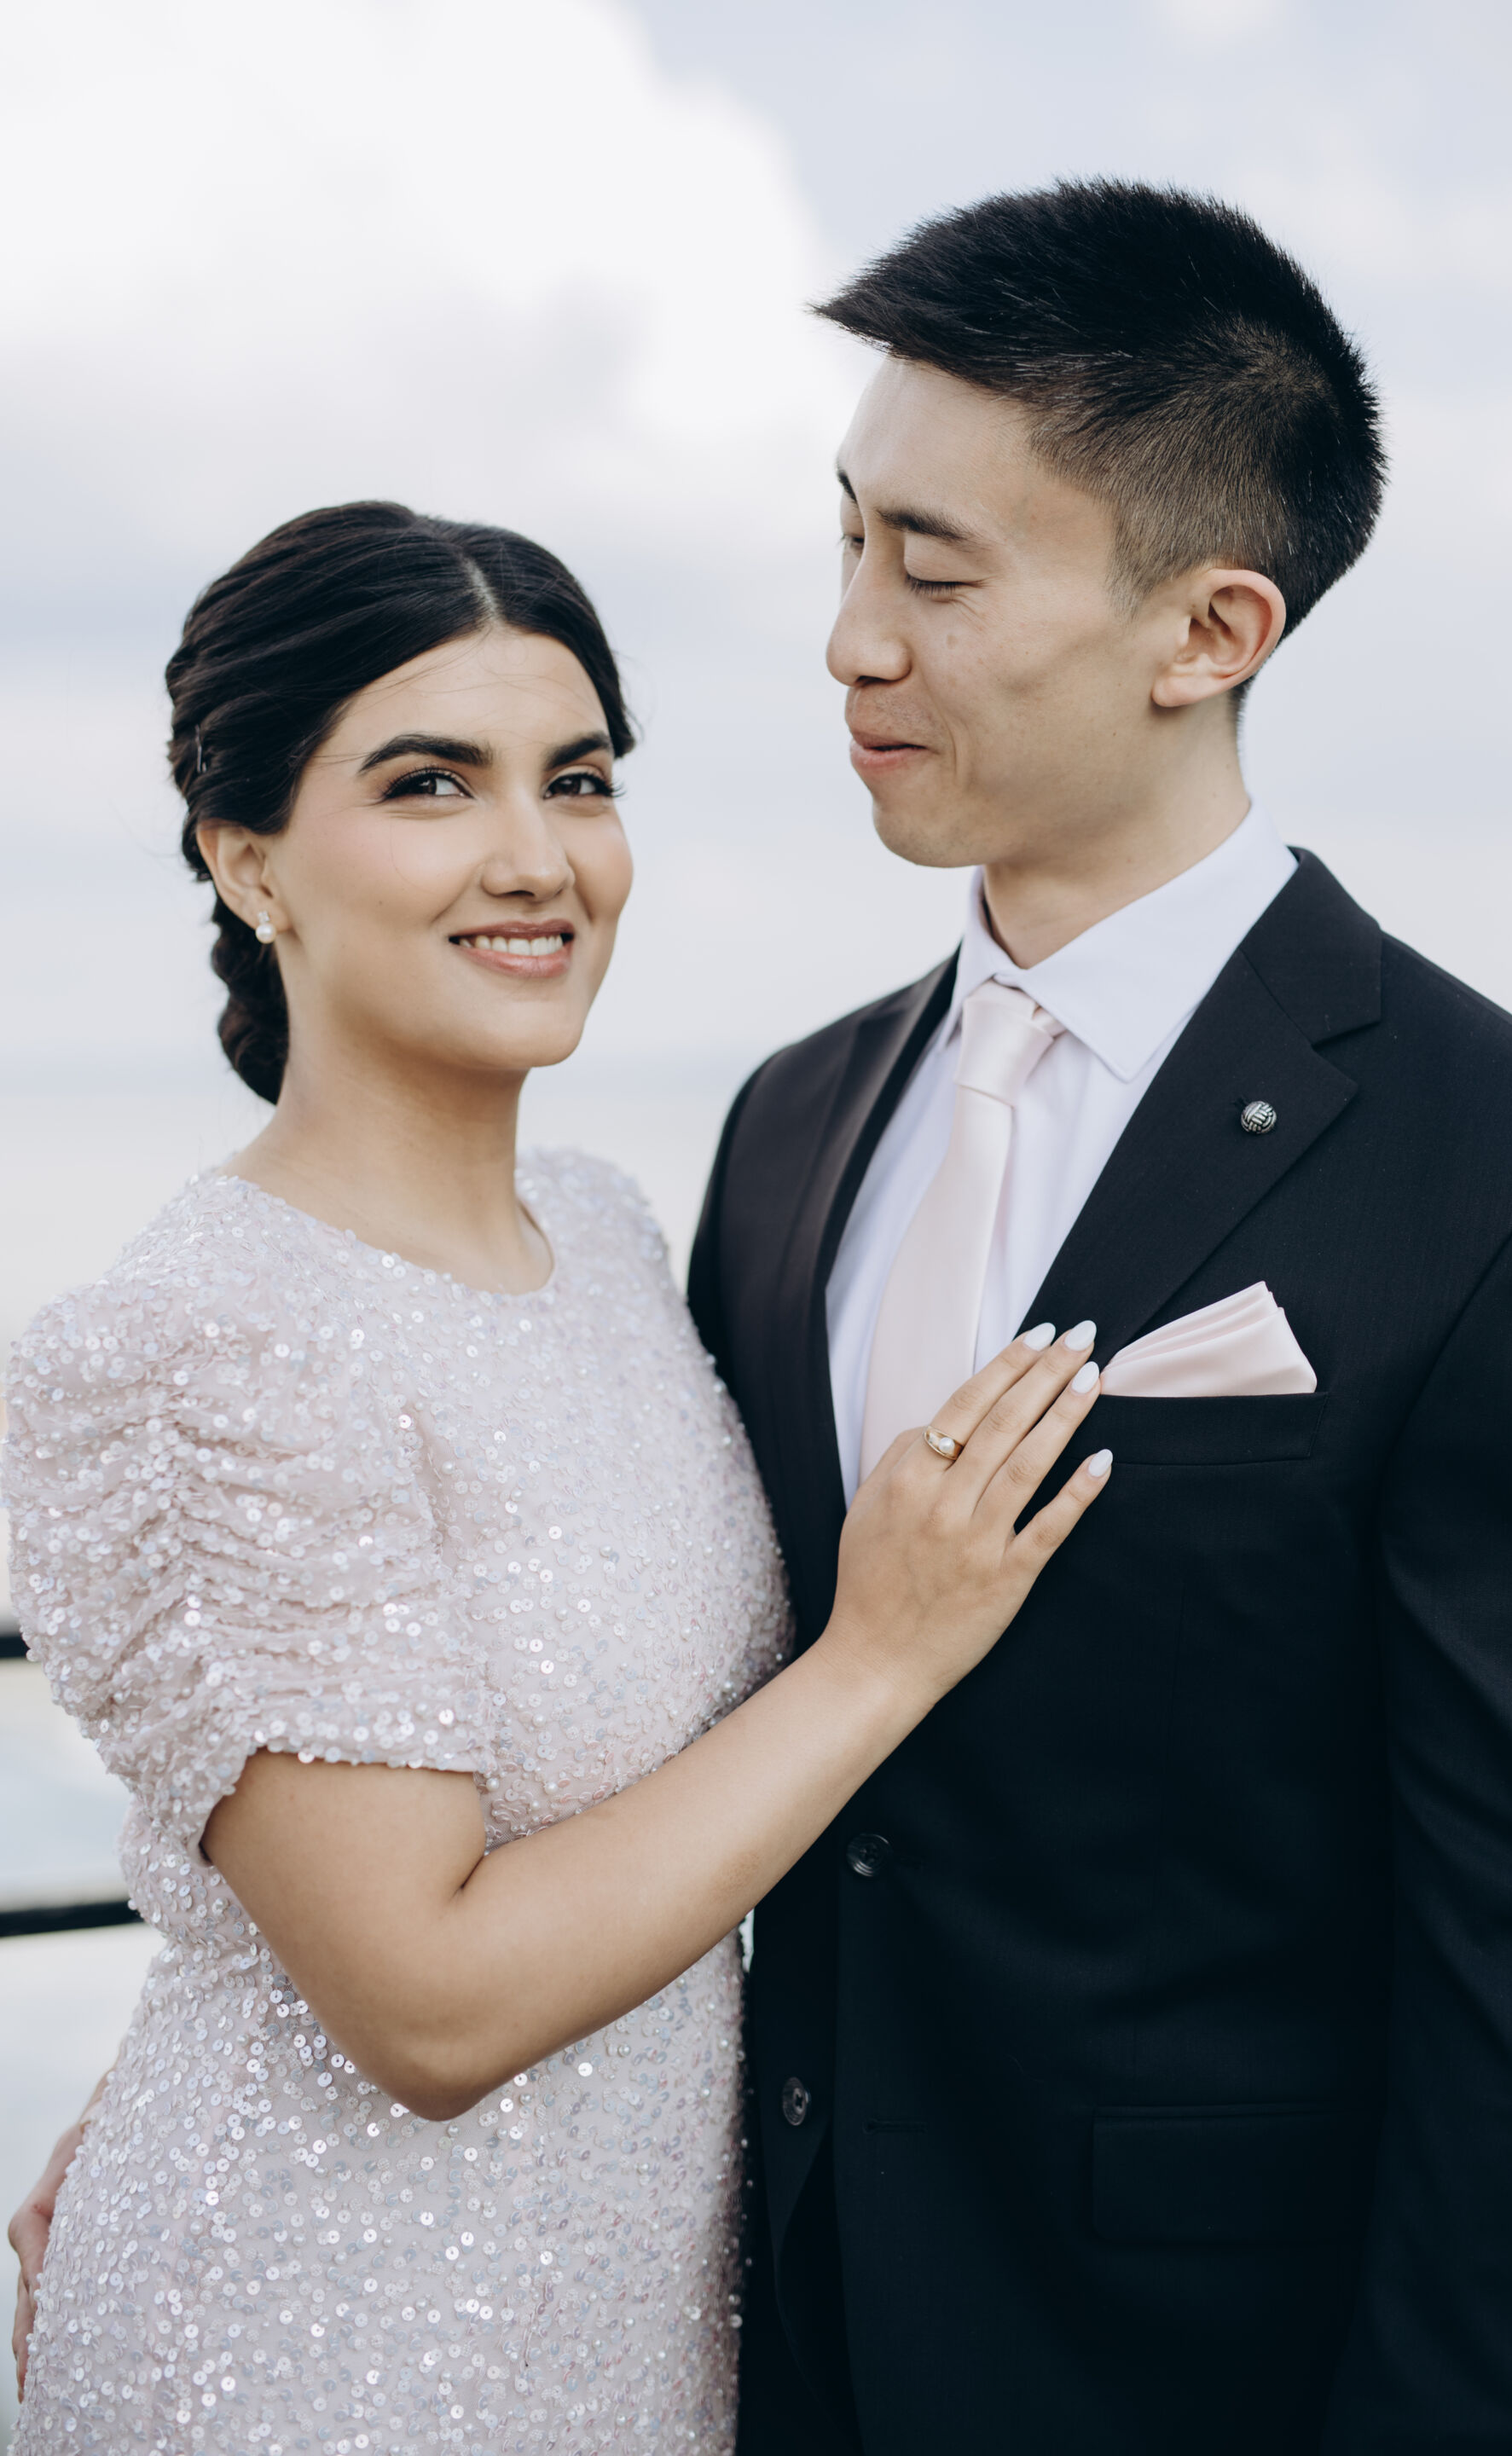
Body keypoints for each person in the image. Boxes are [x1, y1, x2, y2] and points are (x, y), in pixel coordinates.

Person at [1, 500, 1114, 2453]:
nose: (537, 857)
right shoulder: (201, 1340)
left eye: (578, 780)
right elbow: (424, 2004)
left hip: (632, 2338)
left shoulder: (603, 1233)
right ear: (245, 856)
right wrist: (881, 1654)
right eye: (429, 783)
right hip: (323, 2355)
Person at [687, 181, 1512, 2453]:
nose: (848, 640)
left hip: (1197, 2382)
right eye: (846, 544)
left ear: (1210, 628)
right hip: (753, 2353)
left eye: (934, 575)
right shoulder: (788, 1121)